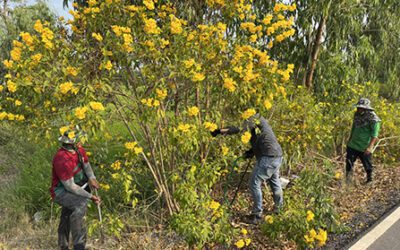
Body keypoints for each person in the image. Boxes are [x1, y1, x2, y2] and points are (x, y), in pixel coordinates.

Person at [212, 113, 283, 224]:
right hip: (277, 155)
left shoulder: (254, 117)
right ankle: (279, 209)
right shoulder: (259, 120)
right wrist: (252, 151)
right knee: (274, 182)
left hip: (268, 157)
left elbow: (240, 129)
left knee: (254, 183)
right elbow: (259, 138)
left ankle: (257, 215)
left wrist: (220, 131)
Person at [50, 130, 100, 250]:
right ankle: (79, 245)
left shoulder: (79, 150)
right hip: (60, 192)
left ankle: (63, 245)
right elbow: (70, 186)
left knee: (67, 214)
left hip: (78, 187)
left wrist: (92, 178)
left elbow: (87, 166)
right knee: (80, 204)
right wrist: (90, 196)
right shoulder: (61, 158)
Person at [346, 98, 381, 184]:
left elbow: (374, 134)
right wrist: (349, 139)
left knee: (367, 165)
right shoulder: (357, 115)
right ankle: (348, 181)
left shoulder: (374, 119)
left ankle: (370, 180)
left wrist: (370, 147)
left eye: (361, 108)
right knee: (349, 163)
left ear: (366, 109)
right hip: (353, 144)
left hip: (364, 146)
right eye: (358, 107)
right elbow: (353, 127)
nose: (358, 109)